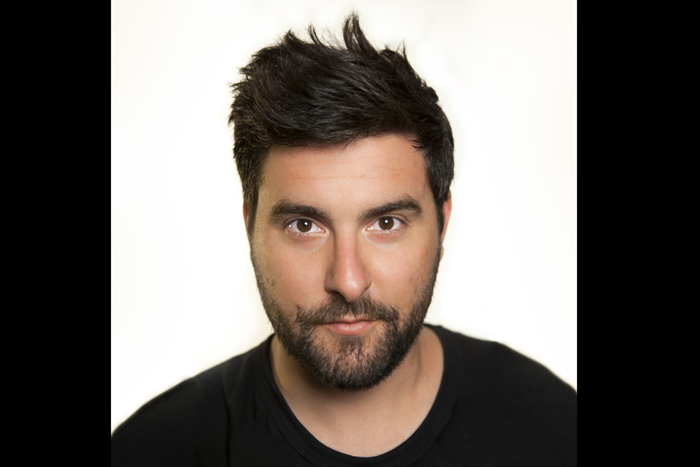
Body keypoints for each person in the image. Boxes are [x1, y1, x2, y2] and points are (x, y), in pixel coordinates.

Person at [111, 13, 576, 466]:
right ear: (250, 226)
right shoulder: (152, 450)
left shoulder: (555, 427)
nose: (349, 282)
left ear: (442, 222)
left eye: (386, 223)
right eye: (304, 226)